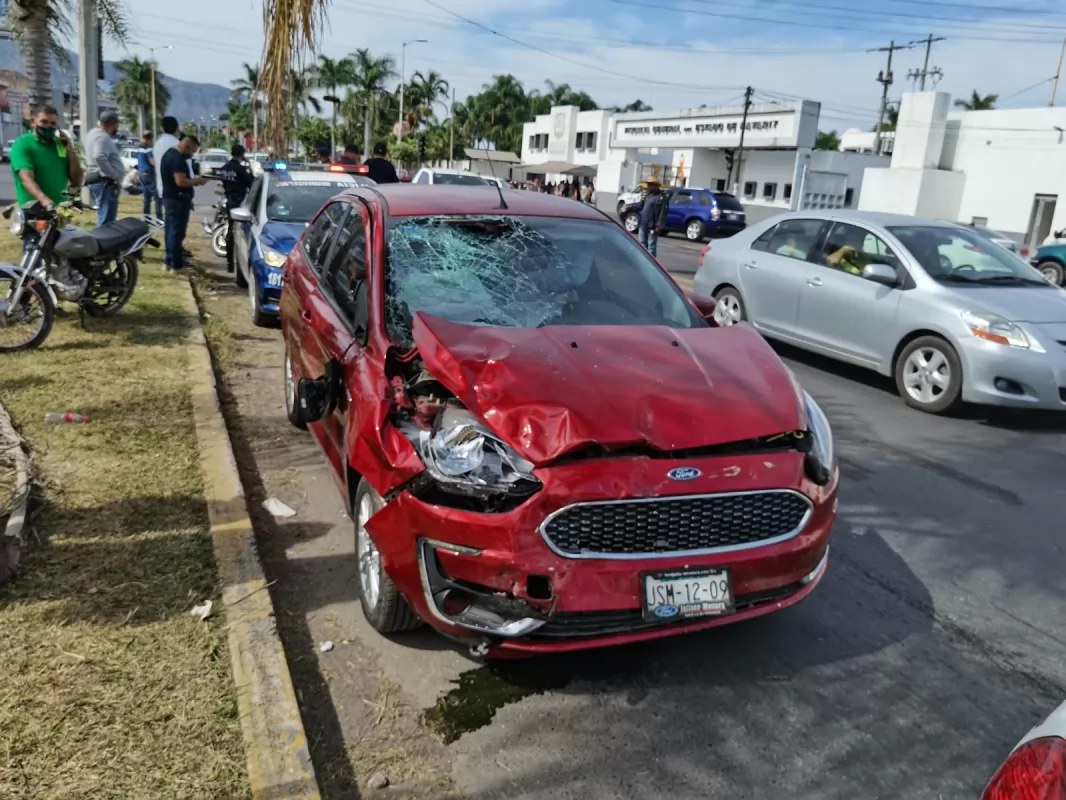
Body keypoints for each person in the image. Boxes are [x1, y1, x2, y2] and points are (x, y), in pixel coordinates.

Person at [10, 105, 84, 212]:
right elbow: (26, 178)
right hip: (34, 211)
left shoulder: (59, 144)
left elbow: (77, 180)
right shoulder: (23, 144)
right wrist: (44, 200)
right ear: (33, 122)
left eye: (53, 123)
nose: (49, 126)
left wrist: (71, 151)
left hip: (59, 210)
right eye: (44, 122)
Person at [160, 134, 207, 271]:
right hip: (177, 199)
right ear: (186, 146)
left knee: (170, 230)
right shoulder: (177, 159)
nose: (191, 155)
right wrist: (197, 181)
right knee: (176, 232)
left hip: (171, 198)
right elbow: (180, 181)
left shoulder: (169, 154)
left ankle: (169, 261)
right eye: (191, 151)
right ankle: (176, 265)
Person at [83, 110, 126, 226]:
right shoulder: (102, 137)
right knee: (106, 221)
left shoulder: (92, 133)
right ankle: (101, 242)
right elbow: (99, 156)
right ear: (112, 124)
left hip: (98, 180)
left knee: (105, 216)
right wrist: (113, 175)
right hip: (105, 182)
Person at [218, 144, 253, 273]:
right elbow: (251, 182)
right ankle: (237, 263)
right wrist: (248, 165)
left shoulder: (225, 168)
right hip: (239, 202)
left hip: (229, 201)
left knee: (231, 232)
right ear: (242, 154)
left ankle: (229, 264)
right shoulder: (240, 169)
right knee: (240, 233)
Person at [153, 116, 181, 197]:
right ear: (176, 128)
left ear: (162, 128)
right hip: (176, 191)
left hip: (161, 187)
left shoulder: (158, 144)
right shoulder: (177, 144)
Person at [136, 131, 161, 219]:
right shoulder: (149, 149)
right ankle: (159, 219)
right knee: (157, 197)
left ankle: (146, 218)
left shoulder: (139, 148)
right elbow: (152, 162)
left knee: (147, 198)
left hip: (141, 174)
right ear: (150, 139)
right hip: (149, 174)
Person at [639, 182, 668, 257]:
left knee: (651, 247)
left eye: (650, 185)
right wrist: (631, 205)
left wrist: (659, 225)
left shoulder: (661, 197)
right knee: (642, 244)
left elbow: (663, 212)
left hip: (653, 226)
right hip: (643, 224)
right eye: (648, 185)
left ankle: (651, 264)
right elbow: (641, 206)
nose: (648, 187)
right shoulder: (648, 196)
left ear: (655, 186)